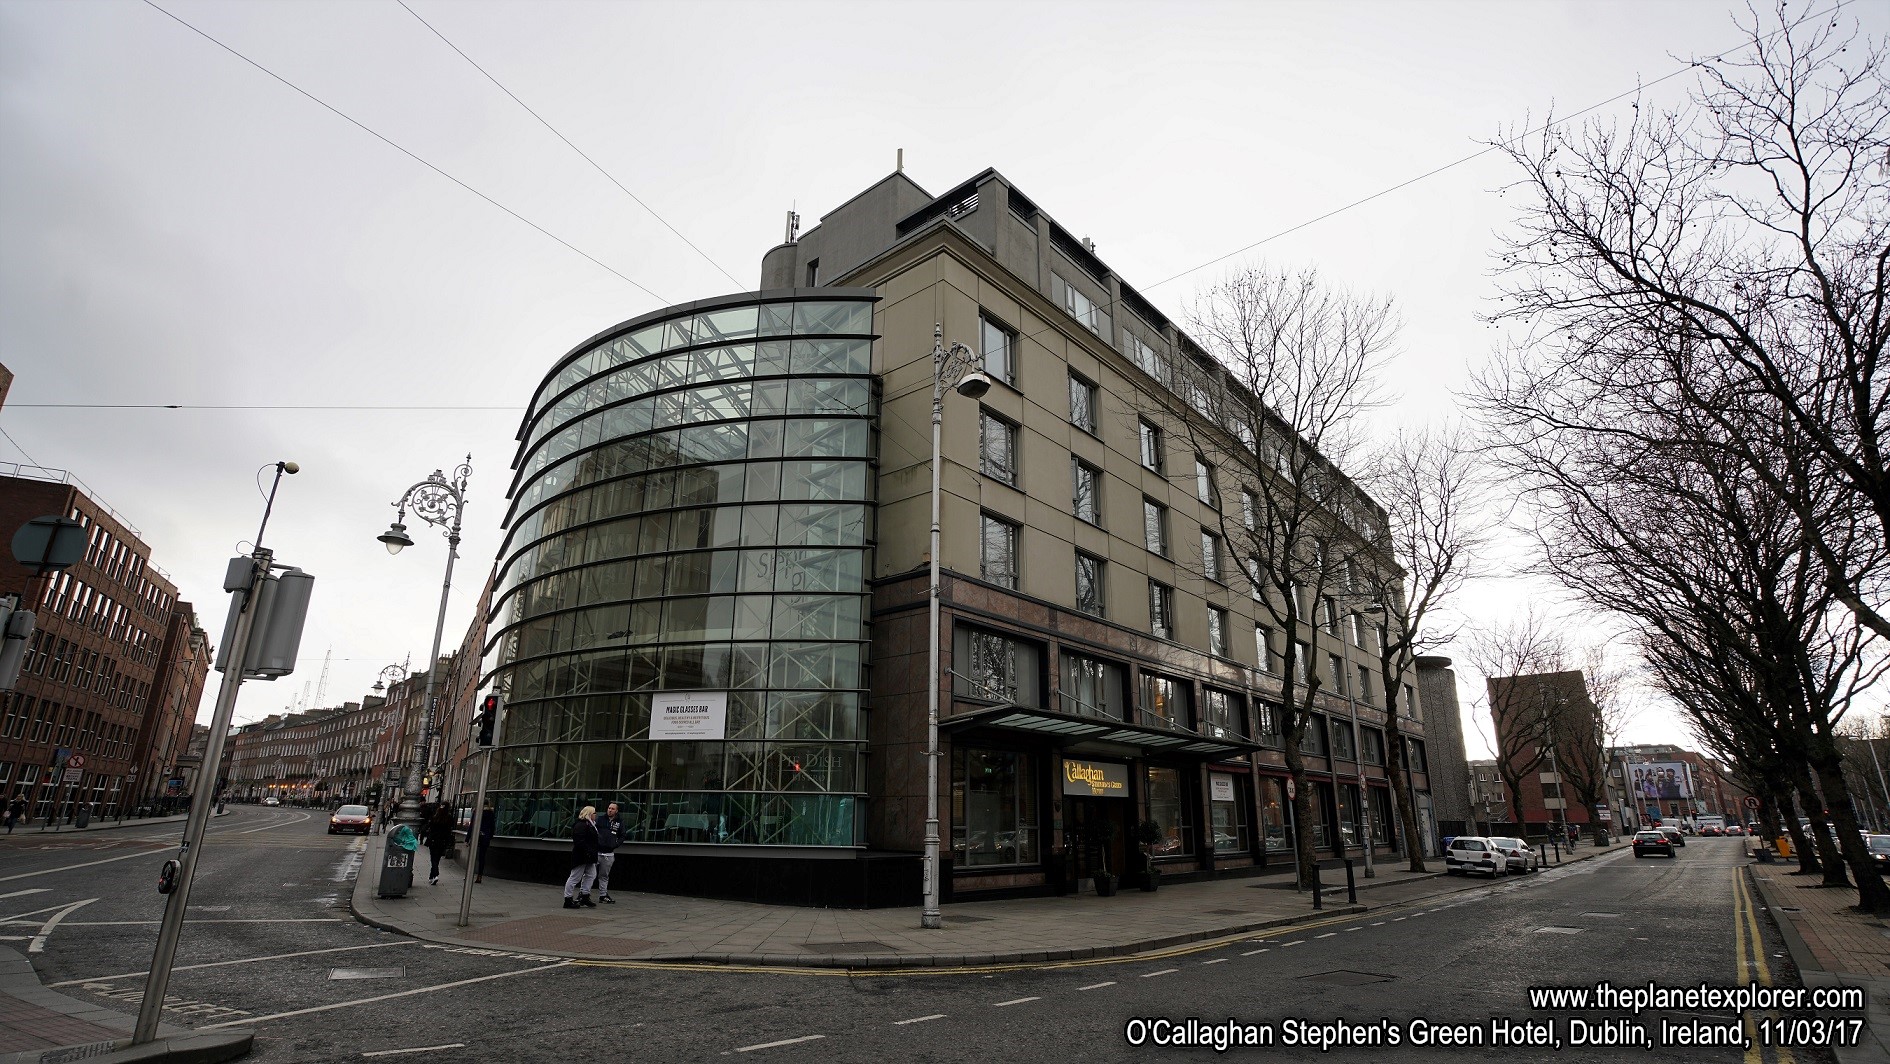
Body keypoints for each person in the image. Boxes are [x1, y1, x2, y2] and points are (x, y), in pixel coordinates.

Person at [564, 805, 599, 909]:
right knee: (575, 877)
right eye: (594, 813)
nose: (595, 815)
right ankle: (568, 899)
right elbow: (579, 842)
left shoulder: (591, 824)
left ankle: (585, 896)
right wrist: (588, 851)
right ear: (589, 814)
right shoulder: (581, 825)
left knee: (591, 875)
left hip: (589, 856)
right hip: (582, 856)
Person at [593, 802, 624, 903]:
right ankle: (583, 893)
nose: (610, 810)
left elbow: (623, 835)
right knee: (589, 874)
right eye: (609, 808)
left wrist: (615, 844)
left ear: (616, 811)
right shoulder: (600, 819)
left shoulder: (619, 822)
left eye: (612, 809)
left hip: (609, 853)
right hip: (597, 851)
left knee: (604, 875)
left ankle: (603, 895)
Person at [423, 803, 456, 886]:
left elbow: (429, 827)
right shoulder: (449, 818)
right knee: (437, 858)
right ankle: (432, 876)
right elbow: (450, 830)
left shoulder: (435, 817)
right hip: (443, 841)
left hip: (433, 840)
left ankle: (435, 874)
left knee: (433, 858)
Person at [471, 800, 496, 884]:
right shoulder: (490, 813)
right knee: (482, 857)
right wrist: (490, 836)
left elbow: (472, 825)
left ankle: (469, 874)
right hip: (485, 836)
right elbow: (492, 826)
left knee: (472, 856)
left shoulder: (476, 812)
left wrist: (467, 839)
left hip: (476, 836)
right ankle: (479, 876)